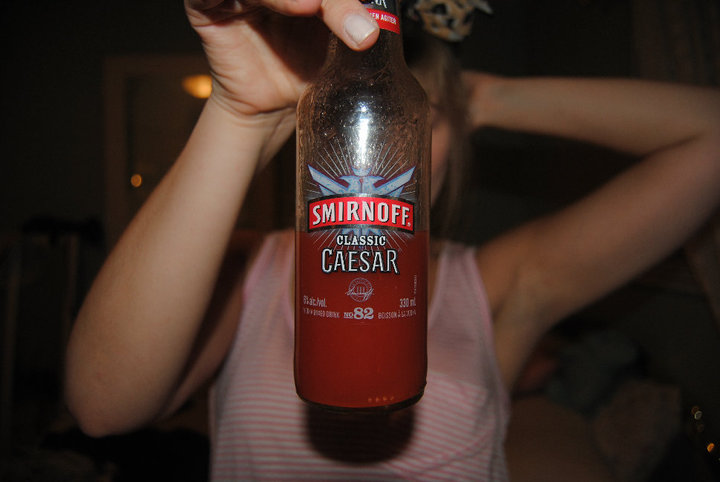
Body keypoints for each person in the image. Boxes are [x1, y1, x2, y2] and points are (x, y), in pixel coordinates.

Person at [64, 0, 720, 480]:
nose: (379, 151)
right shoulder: (248, 267)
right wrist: (240, 113)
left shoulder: (501, 281)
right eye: (358, 121)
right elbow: (100, 407)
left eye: (411, 125)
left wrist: (481, 97)